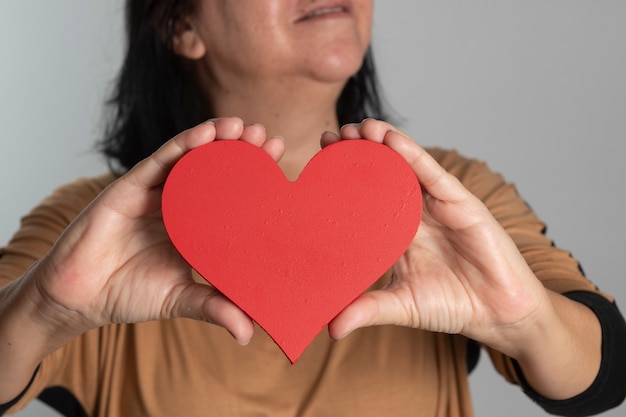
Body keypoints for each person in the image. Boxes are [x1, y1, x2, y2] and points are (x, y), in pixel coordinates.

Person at [1, 1, 625, 416]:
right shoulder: (95, 227)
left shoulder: (450, 197)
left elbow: (603, 370)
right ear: (180, 26)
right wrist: (45, 309)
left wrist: (527, 322)